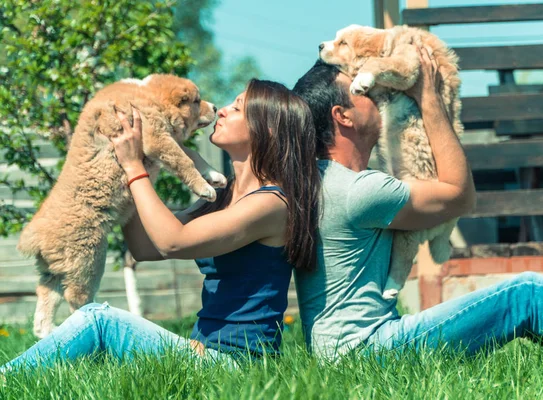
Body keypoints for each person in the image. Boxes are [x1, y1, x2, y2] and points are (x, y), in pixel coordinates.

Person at [292, 44, 543, 359]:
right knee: (527, 295)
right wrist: (429, 96)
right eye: (365, 94)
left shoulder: (319, 180)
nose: (378, 95)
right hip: (369, 349)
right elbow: (459, 195)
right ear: (343, 116)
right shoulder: (358, 190)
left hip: (346, 352)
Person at [0, 79, 320, 374]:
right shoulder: (222, 196)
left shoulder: (273, 203)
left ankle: (7, 381)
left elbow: (173, 242)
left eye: (237, 107)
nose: (222, 109)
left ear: (267, 128)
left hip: (238, 364)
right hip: (202, 351)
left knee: (98, 320)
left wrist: (133, 165)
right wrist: (138, 162)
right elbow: (145, 247)